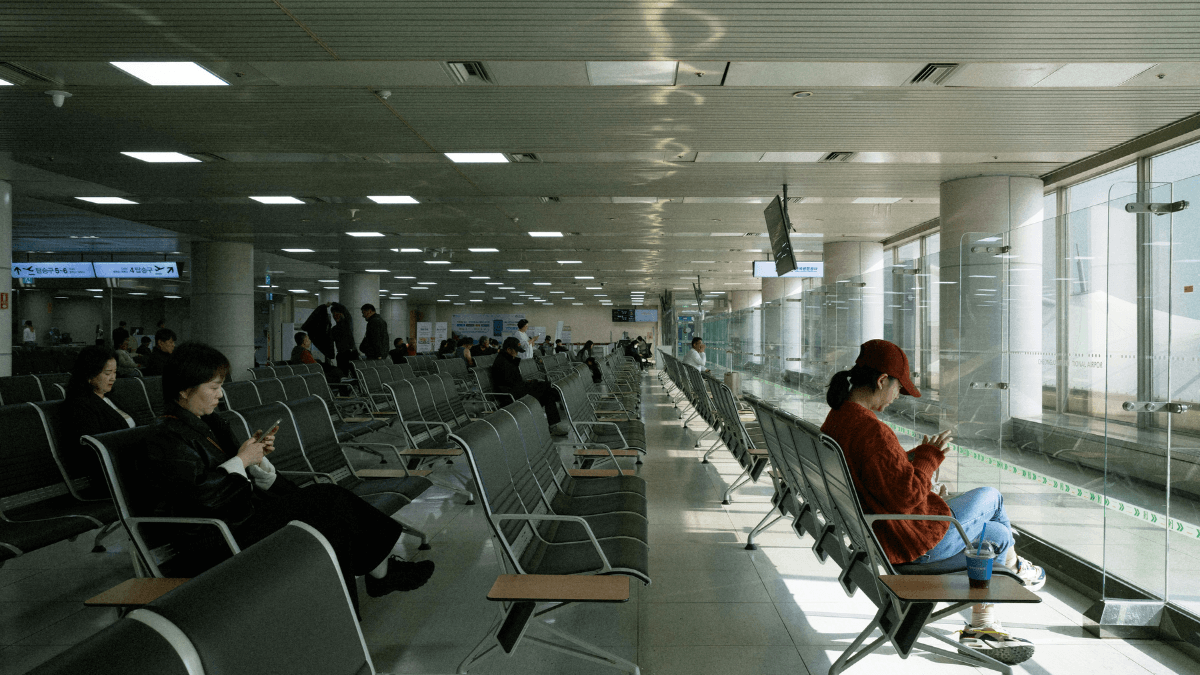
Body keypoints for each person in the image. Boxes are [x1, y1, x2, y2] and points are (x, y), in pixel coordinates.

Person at [140, 342, 435, 615]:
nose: (221, 394)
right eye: (214, 387)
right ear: (184, 390)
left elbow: (231, 475)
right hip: (215, 537)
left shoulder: (210, 423)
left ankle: (353, 607)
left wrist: (256, 459)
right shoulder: (166, 436)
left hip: (241, 517)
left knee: (333, 521)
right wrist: (243, 459)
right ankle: (379, 576)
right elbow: (200, 496)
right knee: (328, 500)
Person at [820, 339, 1045, 665]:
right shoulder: (872, 430)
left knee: (994, 524)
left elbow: (876, 470)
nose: (898, 396)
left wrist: (913, 458)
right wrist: (928, 459)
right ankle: (1010, 577)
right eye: (899, 388)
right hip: (909, 542)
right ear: (882, 380)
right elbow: (907, 496)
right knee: (994, 514)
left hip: (875, 534)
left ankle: (995, 603)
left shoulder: (839, 418)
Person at [62, 346, 138, 490]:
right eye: (108, 373)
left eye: (115, 372)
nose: (113, 378)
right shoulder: (79, 405)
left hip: (133, 462)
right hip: (113, 470)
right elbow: (94, 448)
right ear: (90, 374)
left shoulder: (112, 397)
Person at [491, 337, 569, 435]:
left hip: (516, 391)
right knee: (547, 390)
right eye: (516, 351)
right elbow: (513, 384)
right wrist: (532, 384)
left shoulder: (507, 360)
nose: (517, 353)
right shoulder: (503, 363)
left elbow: (516, 381)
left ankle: (554, 423)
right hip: (510, 396)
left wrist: (532, 383)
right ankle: (559, 405)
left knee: (548, 392)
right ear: (509, 350)